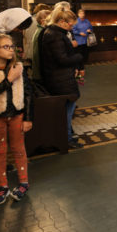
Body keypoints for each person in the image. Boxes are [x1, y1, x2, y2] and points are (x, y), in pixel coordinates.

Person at [39, 10, 84, 149]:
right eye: (70, 25)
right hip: (60, 79)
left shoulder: (53, 33)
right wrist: (79, 57)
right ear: (62, 22)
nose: (72, 27)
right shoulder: (55, 36)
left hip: (60, 77)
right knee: (66, 111)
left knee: (65, 110)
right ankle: (66, 139)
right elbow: (62, 59)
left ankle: (67, 136)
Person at [0, 34, 33, 204]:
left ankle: (24, 183)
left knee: (19, 149)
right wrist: (10, 78)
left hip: (17, 115)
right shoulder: (10, 71)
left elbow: (28, 93)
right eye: (6, 47)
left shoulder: (18, 67)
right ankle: (2, 186)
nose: (11, 50)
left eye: (12, 46)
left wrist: (28, 118)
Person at [31, 10, 51, 83]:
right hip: (41, 74)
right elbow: (37, 55)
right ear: (43, 21)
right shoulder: (41, 33)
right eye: (50, 19)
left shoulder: (40, 31)